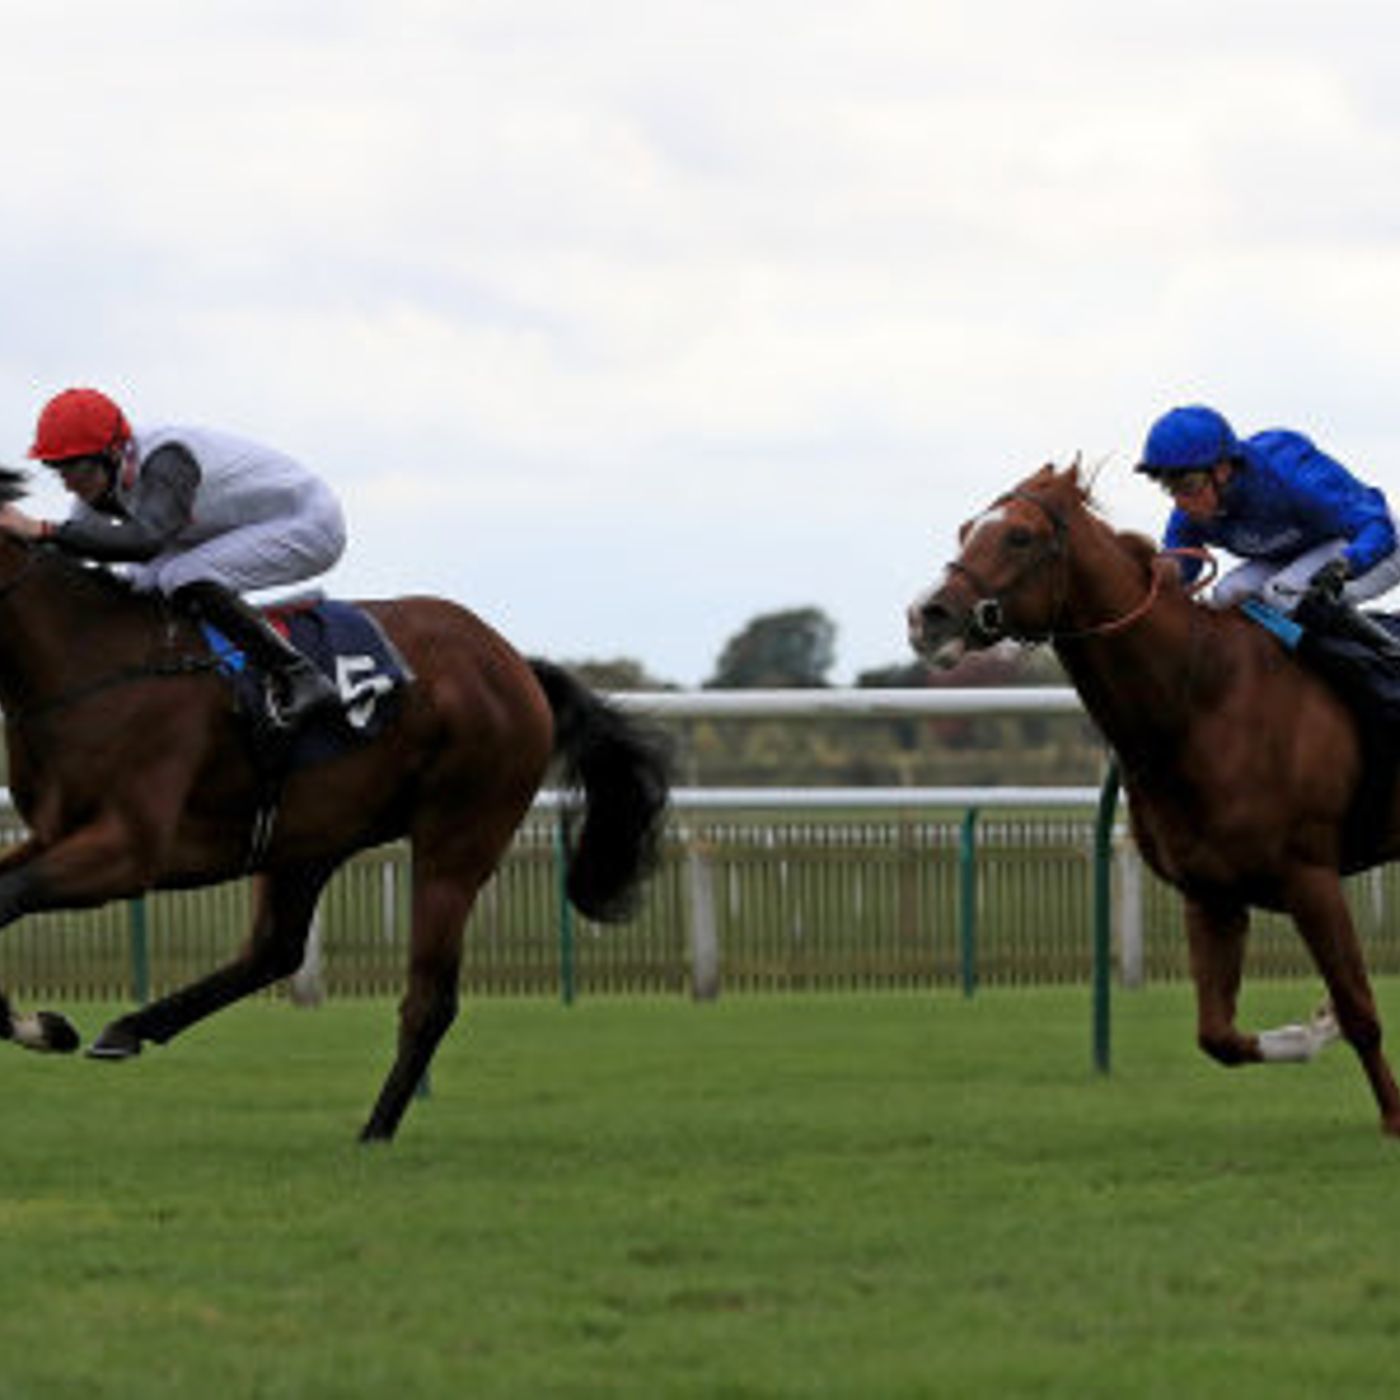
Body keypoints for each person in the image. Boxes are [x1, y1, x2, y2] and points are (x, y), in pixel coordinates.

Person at [0, 387, 347, 727]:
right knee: (141, 582)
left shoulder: (167, 460)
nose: (69, 485)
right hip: (232, 526)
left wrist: (41, 529)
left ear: (114, 452)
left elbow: (144, 542)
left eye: (77, 471)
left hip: (307, 521)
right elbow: (77, 552)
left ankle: (299, 674)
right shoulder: (103, 477)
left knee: (182, 575)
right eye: (60, 471)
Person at [1135, 404, 1400, 656]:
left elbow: (1375, 525)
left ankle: (1391, 659)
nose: (1180, 502)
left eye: (1189, 484)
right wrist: (1166, 576)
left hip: (1375, 545)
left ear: (1223, 469)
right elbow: (1181, 564)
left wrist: (1347, 565)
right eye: (1169, 487)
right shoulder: (1192, 510)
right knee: (1226, 595)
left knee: (1282, 595)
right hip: (1299, 551)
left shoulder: (1294, 478)